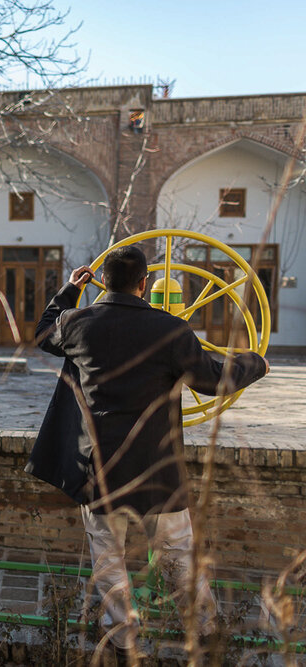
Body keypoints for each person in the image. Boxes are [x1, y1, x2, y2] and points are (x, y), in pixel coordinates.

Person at [28, 245, 268, 656]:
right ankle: (205, 630)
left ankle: (122, 640)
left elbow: (43, 332)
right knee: (178, 555)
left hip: (100, 466)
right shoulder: (169, 330)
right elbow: (212, 380)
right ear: (144, 284)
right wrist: (255, 363)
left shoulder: (78, 322)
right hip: (159, 467)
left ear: (104, 280)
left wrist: (70, 290)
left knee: (108, 557)